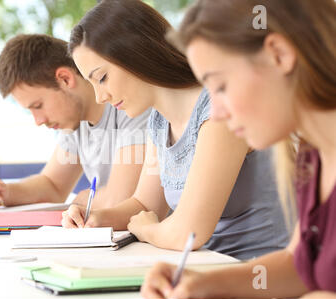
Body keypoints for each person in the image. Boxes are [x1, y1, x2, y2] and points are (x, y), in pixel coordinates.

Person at [63, 0, 288, 260]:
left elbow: (188, 233)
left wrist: (147, 230)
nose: (100, 97)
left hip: (258, 276)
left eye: (101, 78)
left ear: (137, 53)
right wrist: (95, 218)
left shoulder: (219, 109)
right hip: (205, 268)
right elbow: (145, 205)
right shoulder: (158, 123)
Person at [142, 0, 336, 299]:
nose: (215, 112)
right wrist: (205, 284)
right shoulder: (314, 154)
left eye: (220, 87)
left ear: (279, 55)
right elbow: (299, 267)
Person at [0, 34, 150, 210]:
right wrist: (3, 193)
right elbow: (53, 185)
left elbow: (121, 199)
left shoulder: (128, 106)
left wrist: (81, 200)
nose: (38, 120)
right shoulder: (75, 123)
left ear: (65, 79)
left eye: (38, 105)